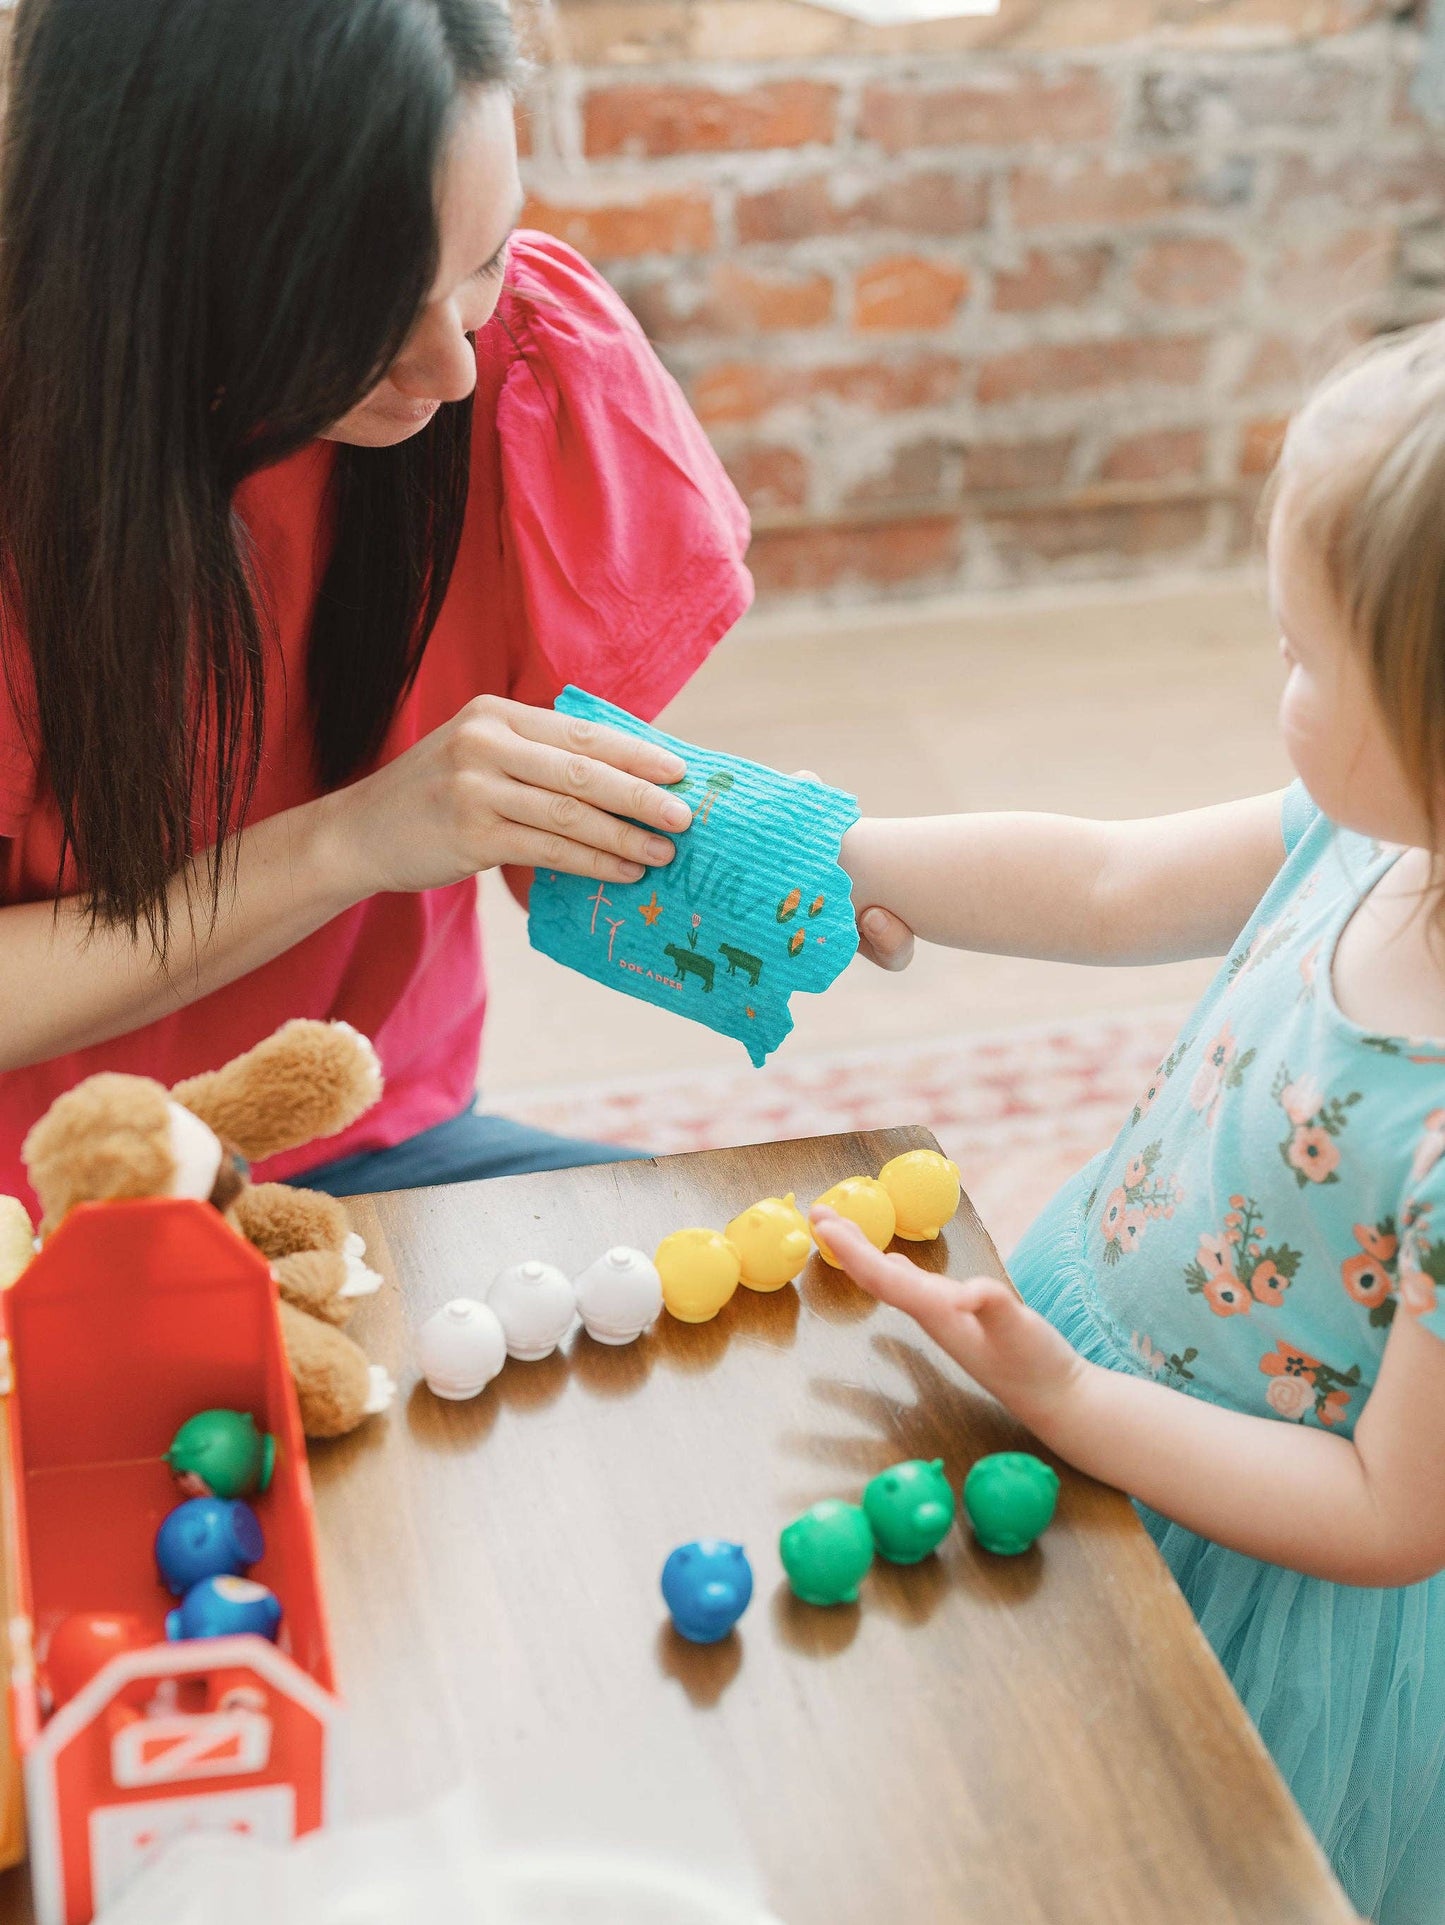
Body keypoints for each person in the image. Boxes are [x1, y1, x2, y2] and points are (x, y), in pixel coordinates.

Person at [823, 322, 1445, 1923]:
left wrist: (1073, 1400)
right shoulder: (1361, 838)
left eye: (1306, 660)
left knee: (1151, 1866)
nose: (1276, 683)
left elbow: (1391, 1515)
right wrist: (853, 854)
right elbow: (1102, 880)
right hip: (1084, 1381)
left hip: (1259, 1577)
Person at [0, 0, 752, 1216]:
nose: (450, 370)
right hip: (37, 1205)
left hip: (369, 1144)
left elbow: (589, 835)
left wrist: (845, 879)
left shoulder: (518, 366)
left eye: (485, 261)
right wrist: (350, 842)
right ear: (146, 258)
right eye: (362, 318)